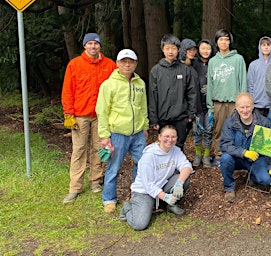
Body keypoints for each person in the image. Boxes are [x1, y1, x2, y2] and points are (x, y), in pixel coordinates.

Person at [61, 32, 117, 203]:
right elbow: (68, 90)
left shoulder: (110, 65)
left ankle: (95, 180)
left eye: (96, 44)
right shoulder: (75, 64)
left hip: (101, 116)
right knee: (78, 150)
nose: (93, 46)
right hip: (80, 115)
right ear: (85, 46)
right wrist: (68, 113)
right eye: (90, 44)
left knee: (99, 149)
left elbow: (118, 86)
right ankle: (75, 187)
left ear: (100, 46)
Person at [96, 49, 150, 213]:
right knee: (114, 166)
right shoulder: (109, 84)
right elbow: (102, 111)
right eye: (124, 61)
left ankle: (137, 193)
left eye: (131, 62)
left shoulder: (140, 83)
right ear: (118, 63)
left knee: (141, 164)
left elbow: (143, 107)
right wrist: (104, 135)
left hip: (138, 132)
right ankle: (109, 198)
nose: (127, 64)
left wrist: (145, 126)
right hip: (118, 133)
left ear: (135, 64)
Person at [119, 125, 193, 231]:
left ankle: (170, 205)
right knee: (139, 224)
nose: (170, 140)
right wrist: (165, 196)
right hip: (144, 192)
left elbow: (187, 166)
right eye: (166, 136)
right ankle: (129, 207)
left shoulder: (175, 151)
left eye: (173, 137)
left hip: (161, 186)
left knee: (183, 178)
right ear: (159, 137)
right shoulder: (149, 156)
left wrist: (179, 183)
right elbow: (148, 185)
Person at [219, 93, 271, 203]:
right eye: (242, 107)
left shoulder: (264, 122)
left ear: (253, 106)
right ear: (236, 108)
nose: (245, 110)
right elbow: (225, 145)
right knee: (225, 158)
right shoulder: (229, 122)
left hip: (256, 159)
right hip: (236, 158)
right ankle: (229, 188)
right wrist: (243, 152)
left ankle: (253, 176)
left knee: (266, 180)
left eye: (248, 107)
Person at [148, 34, 196, 151]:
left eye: (173, 48)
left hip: (181, 116)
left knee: (179, 144)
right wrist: (153, 118)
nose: (170, 51)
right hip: (163, 116)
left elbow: (191, 92)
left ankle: (177, 168)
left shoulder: (184, 69)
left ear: (178, 50)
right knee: (165, 144)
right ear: (163, 49)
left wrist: (190, 114)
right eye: (167, 48)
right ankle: (165, 168)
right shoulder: (156, 71)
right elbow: (152, 95)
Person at [207, 29, 247, 167]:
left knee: (236, 129)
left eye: (226, 39)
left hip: (234, 102)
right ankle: (218, 155)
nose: (224, 42)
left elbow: (243, 81)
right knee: (218, 130)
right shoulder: (212, 61)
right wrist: (210, 107)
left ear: (230, 41)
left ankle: (235, 155)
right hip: (218, 102)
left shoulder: (238, 59)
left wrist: (242, 103)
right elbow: (210, 85)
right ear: (217, 42)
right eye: (221, 39)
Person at [192, 39, 216, 168]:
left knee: (208, 130)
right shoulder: (194, 64)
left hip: (210, 104)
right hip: (197, 104)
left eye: (208, 48)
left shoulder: (214, 63)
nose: (205, 51)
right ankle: (197, 154)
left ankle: (206, 155)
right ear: (198, 50)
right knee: (197, 130)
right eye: (203, 48)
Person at [247, 36, 271, 117]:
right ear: (260, 47)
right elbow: (250, 84)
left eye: (268, 45)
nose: (266, 47)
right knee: (257, 128)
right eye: (263, 45)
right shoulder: (253, 65)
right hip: (256, 103)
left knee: (270, 128)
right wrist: (251, 100)